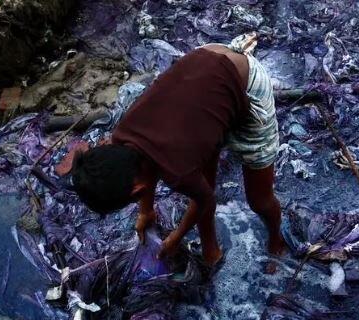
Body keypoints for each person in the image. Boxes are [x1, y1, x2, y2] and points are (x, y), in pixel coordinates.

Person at [70, 34, 284, 267]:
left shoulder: (178, 170)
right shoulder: (122, 135)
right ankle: (211, 250)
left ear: (137, 190)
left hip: (247, 80)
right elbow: (141, 171)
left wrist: (176, 237)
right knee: (202, 173)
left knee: (259, 200)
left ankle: (276, 237)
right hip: (204, 61)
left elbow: (205, 202)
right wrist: (146, 212)